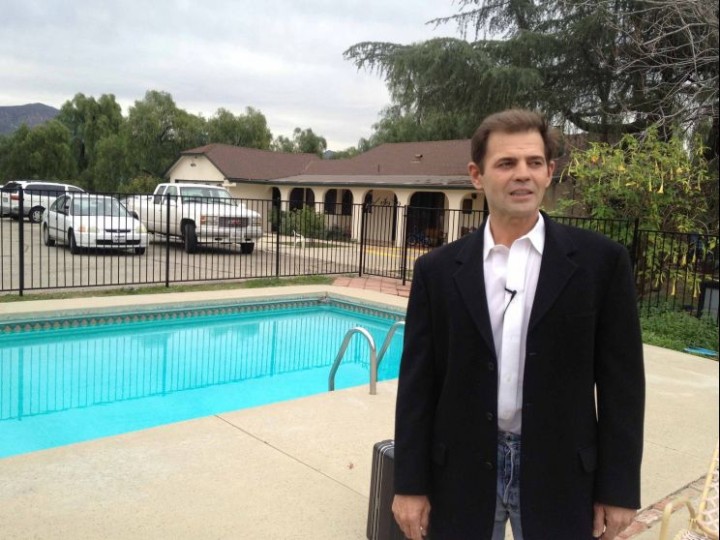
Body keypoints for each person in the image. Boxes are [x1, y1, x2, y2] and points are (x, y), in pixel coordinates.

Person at [391, 109, 645, 540]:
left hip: (561, 473)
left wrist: (619, 488)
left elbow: (622, 386)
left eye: (534, 162)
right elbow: (418, 384)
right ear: (477, 175)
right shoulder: (437, 271)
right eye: (506, 163)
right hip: (461, 472)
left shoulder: (601, 263)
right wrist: (410, 484)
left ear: (549, 172)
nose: (522, 174)